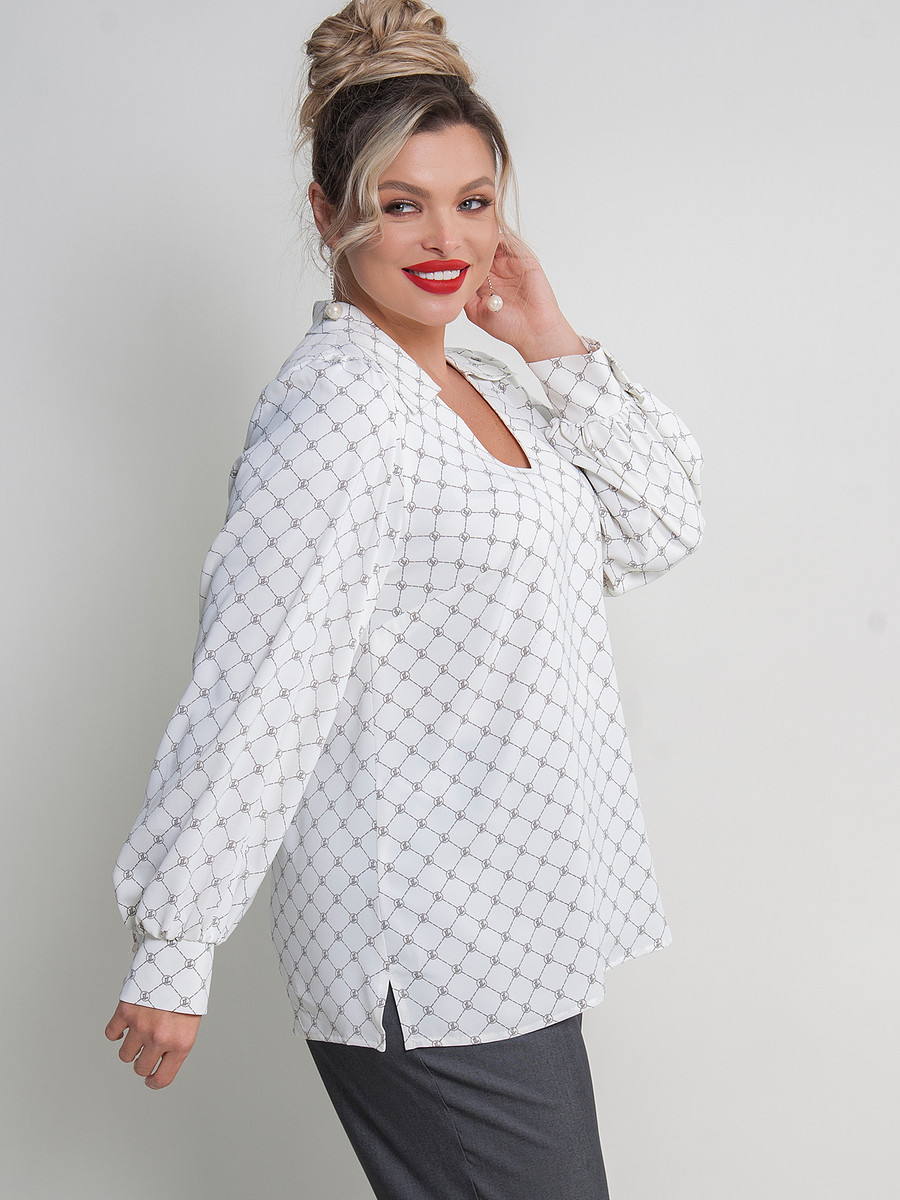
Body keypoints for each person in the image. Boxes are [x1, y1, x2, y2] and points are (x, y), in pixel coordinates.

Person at [105, 2, 704, 1196]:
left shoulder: (487, 387)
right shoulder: (343, 412)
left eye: (473, 201)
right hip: (428, 948)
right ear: (328, 213)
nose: (444, 238)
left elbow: (658, 526)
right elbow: (261, 683)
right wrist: (174, 943)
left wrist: (548, 337)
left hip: (514, 928)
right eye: (400, 203)